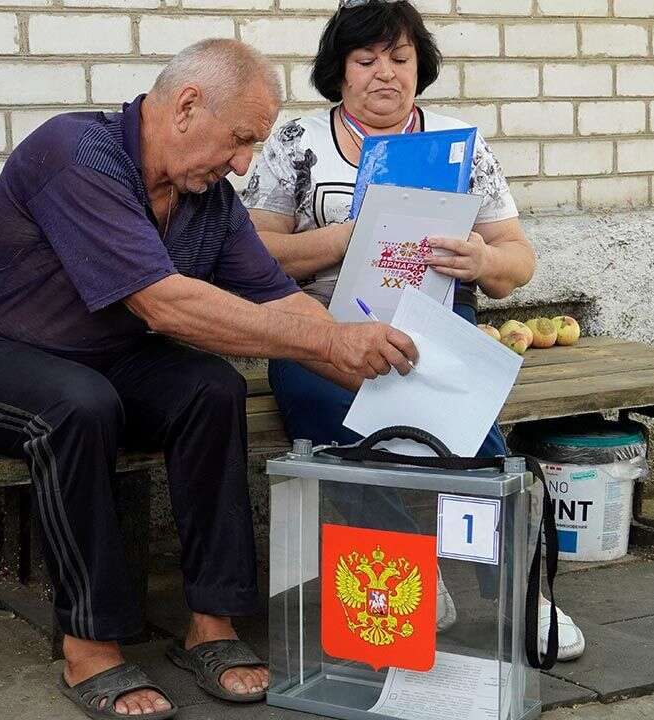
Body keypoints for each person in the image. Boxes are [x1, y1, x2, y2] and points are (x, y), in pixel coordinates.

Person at [0, 39, 421, 719]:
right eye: (241, 140)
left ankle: (212, 626)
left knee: (212, 388)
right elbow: (164, 304)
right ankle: (90, 645)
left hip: (104, 361)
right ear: (186, 106)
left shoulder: (206, 199)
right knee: (79, 404)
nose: (244, 165)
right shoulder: (76, 154)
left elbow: (280, 302)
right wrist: (331, 337)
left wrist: (391, 374)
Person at [242, 0, 585, 662]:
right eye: (366, 59)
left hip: (434, 331)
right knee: (331, 432)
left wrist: (483, 261)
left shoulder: (460, 144)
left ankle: (521, 591)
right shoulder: (296, 144)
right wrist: (348, 238)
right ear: (338, 72)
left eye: (400, 59)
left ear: (419, 67)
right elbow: (253, 254)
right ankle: (412, 575)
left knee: (473, 439)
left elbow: (517, 262)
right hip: (318, 332)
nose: (385, 74)